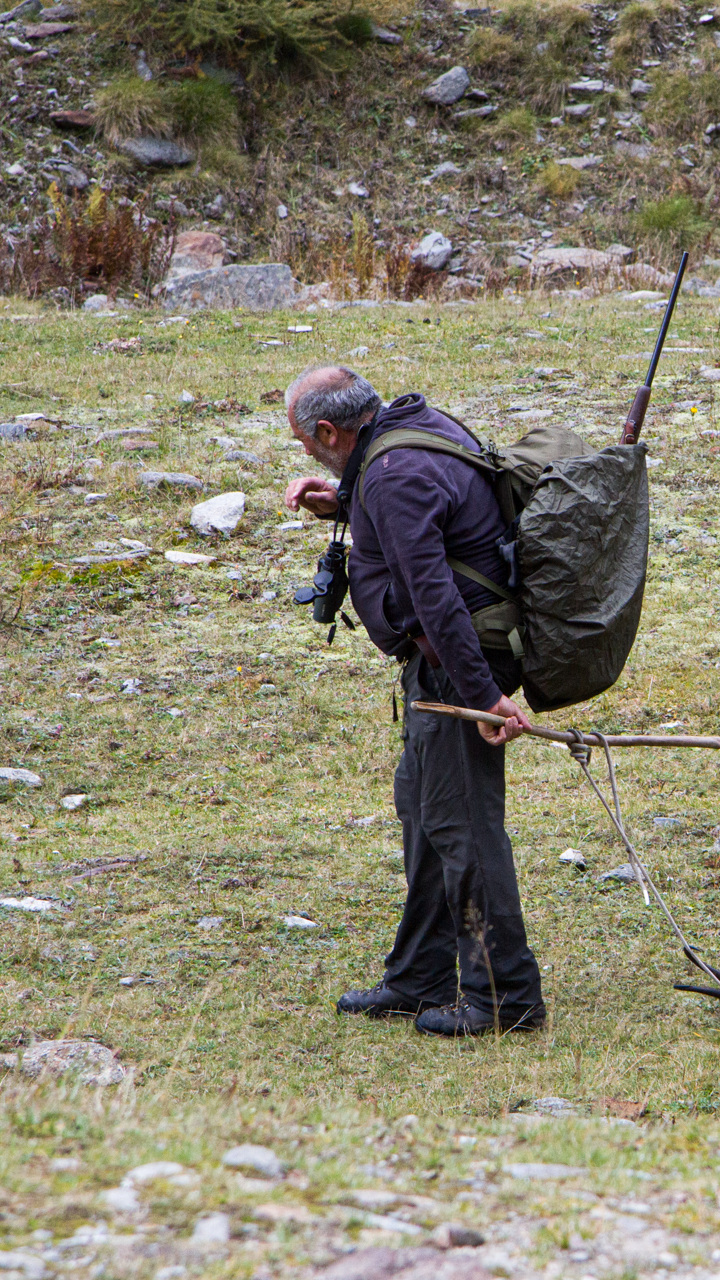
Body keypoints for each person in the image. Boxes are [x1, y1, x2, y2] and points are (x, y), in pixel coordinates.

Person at [283, 365, 546, 1036]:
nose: (309, 456)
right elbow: (428, 520)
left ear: (328, 430)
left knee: (462, 826)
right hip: (450, 666)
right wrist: (340, 503)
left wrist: (485, 697)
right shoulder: (415, 429)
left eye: (307, 445)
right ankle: (420, 976)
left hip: (457, 669)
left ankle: (505, 998)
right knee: (424, 815)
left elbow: (437, 598)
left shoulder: (392, 475)